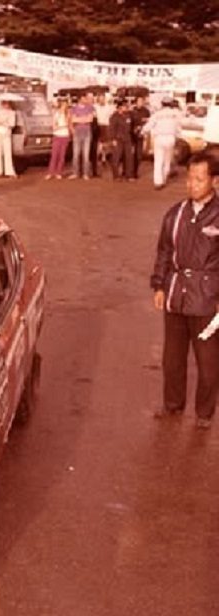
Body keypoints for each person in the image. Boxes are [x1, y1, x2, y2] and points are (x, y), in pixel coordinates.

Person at [150, 153, 219, 429]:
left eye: (199, 179)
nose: (192, 184)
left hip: (208, 301)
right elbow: (164, 252)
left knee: (208, 362)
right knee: (172, 359)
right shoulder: (175, 214)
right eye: (190, 178)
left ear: (214, 181)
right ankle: (172, 405)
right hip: (176, 296)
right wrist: (159, 285)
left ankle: (204, 413)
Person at [142, 97, 182, 190]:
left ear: (162, 104)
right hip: (171, 138)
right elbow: (179, 127)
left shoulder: (157, 114)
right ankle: (164, 178)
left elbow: (149, 125)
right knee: (167, 160)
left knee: (158, 160)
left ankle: (158, 182)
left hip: (159, 138)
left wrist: (143, 131)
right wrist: (178, 137)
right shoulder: (176, 114)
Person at [69, 92, 95, 179]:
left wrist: (79, 119)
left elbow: (90, 119)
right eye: (85, 98)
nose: (86, 100)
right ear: (80, 99)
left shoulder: (90, 108)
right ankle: (75, 173)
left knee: (86, 155)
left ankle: (85, 173)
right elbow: (73, 119)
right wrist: (84, 119)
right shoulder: (74, 108)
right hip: (77, 132)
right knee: (76, 154)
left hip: (87, 133)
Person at [46, 99, 71, 180]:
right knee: (54, 155)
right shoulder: (56, 114)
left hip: (65, 136)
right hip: (57, 136)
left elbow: (69, 125)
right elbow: (54, 126)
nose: (64, 107)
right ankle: (50, 172)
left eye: (66, 105)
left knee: (62, 155)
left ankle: (59, 172)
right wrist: (62, 126)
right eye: (63, 105)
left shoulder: (68, 114)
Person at [109, 99, 134, 181]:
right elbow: (111, 128)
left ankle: (128, 175)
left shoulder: (128, 115)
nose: (126, 108)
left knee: (129, 157)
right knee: (116, 158)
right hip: (118, 139)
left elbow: (130, 127)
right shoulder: (114, 116)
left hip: (127, 138)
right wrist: (113, 139)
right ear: (120, 107)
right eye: (124, 106)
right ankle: (116, 176)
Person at [0, 100, 17, 178]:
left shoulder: (12, 113)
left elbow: (12, 124)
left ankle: (9, 171)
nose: (6, 105)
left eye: (7, 103)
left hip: (6, 133)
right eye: (4, 103)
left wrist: (3, 122)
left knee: (7, 152)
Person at [130, 96, 151, 180]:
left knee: (138, 155)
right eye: (139, 101)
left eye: (142, 101)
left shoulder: (146, 111)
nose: (141, 103)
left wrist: (142, 128)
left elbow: (148, 122)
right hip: (131, 135)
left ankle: (135, 172)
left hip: (141, 135)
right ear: (136, 102)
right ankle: (129, 172)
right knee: (131, 154)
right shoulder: (132, 111)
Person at [94, 93, 114, 173]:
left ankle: (103, 157)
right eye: (100, 98)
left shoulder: (109, 107)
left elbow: (112, 115)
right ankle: (98, 158)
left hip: (106, 125)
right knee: (98, 143)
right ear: (98, 99)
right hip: (98, 125)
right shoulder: (95, 106)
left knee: (105, 143)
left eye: (103, 98)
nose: (102, 100)